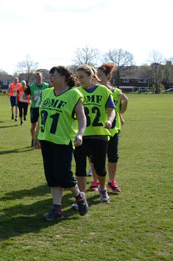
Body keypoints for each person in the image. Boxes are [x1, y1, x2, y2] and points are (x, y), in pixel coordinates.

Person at [35, 66, 88, 221]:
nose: (50, 78)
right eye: (49, 75)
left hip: (63, 140)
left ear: (64, 77)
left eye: (54, 75)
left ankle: (79, 196)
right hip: (46, 139)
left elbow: (81, 117)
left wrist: (80, 134)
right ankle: (57, 209)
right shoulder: (46, 92)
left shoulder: (73, 94)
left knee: (63, 175)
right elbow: (41, 116)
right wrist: (36, 136)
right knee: (51, 176)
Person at [73, 65, 116, 203]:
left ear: (91, 76)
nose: (79, 81)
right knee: (80, 166)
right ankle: (81, 196)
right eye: (77, 78)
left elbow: (111, 109)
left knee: (99, 167)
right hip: (81, 135)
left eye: (82, 77)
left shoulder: (103, 90)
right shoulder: (76, 92)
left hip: (99, 134)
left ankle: (103, 189)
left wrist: (109, 121)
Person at [94, 63, 128, 193]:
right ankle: (96, 181)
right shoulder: (94, 90)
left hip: (113, 129)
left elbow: (120, 111)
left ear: (108, 76)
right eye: (96, 75)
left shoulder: (116, 92)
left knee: (113, 156)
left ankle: (111, 181)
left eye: (100, 75)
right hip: (98, 130)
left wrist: (126, 101)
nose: (97, 78)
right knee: (96, 157)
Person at [27, 73, 49, 147]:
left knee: (43, 125)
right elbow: (23, 96)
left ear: (42, 77)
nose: (38, 78)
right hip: (34, 108)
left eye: (39, 77)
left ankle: (41, 139)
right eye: (36, 77)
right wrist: (30, 98)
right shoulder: (31, 87)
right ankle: (33, 138)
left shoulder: (47, 86)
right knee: (33, 126)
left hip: (44, 109)